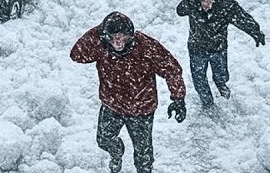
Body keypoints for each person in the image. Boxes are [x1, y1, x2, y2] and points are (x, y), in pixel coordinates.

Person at [70, 11, 186, 173]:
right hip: (112, 105)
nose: (118, 42)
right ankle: (117, 152)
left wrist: (178, 98)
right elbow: (76, 54)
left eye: (122, 37)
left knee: (143, 154)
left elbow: (171, 69)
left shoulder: (145, 46)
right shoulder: (101, 45)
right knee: (103, 139)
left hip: (141, 108)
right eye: (113, 37)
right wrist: (99, 30)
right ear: (106, 37)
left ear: (130, 36)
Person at [176, 0, 265, 109]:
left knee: (221, 74)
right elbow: (179, 11)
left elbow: (243, 20)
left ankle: (221, 84)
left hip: (218, 48)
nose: (207, 5)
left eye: (211, 2)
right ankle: (208, 103)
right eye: (204, 1)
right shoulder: (192, 2)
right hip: (197, 49)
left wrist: (256, 32)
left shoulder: (226, 8)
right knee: (199, 80)